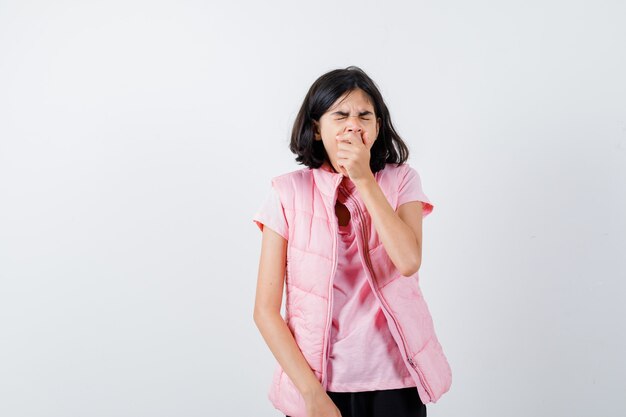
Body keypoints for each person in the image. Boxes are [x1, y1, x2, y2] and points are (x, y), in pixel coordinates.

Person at [252, 66, 452, 417]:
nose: (353, 125)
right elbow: (265, 311)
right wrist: (312, 395)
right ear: (317, 128)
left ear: (377, 127)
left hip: (397, 382)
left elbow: (408, 261)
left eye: (365, 116)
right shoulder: (287, 192)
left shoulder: (402, 180)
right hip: (319, 387)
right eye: (340, 115)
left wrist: (364, 180)